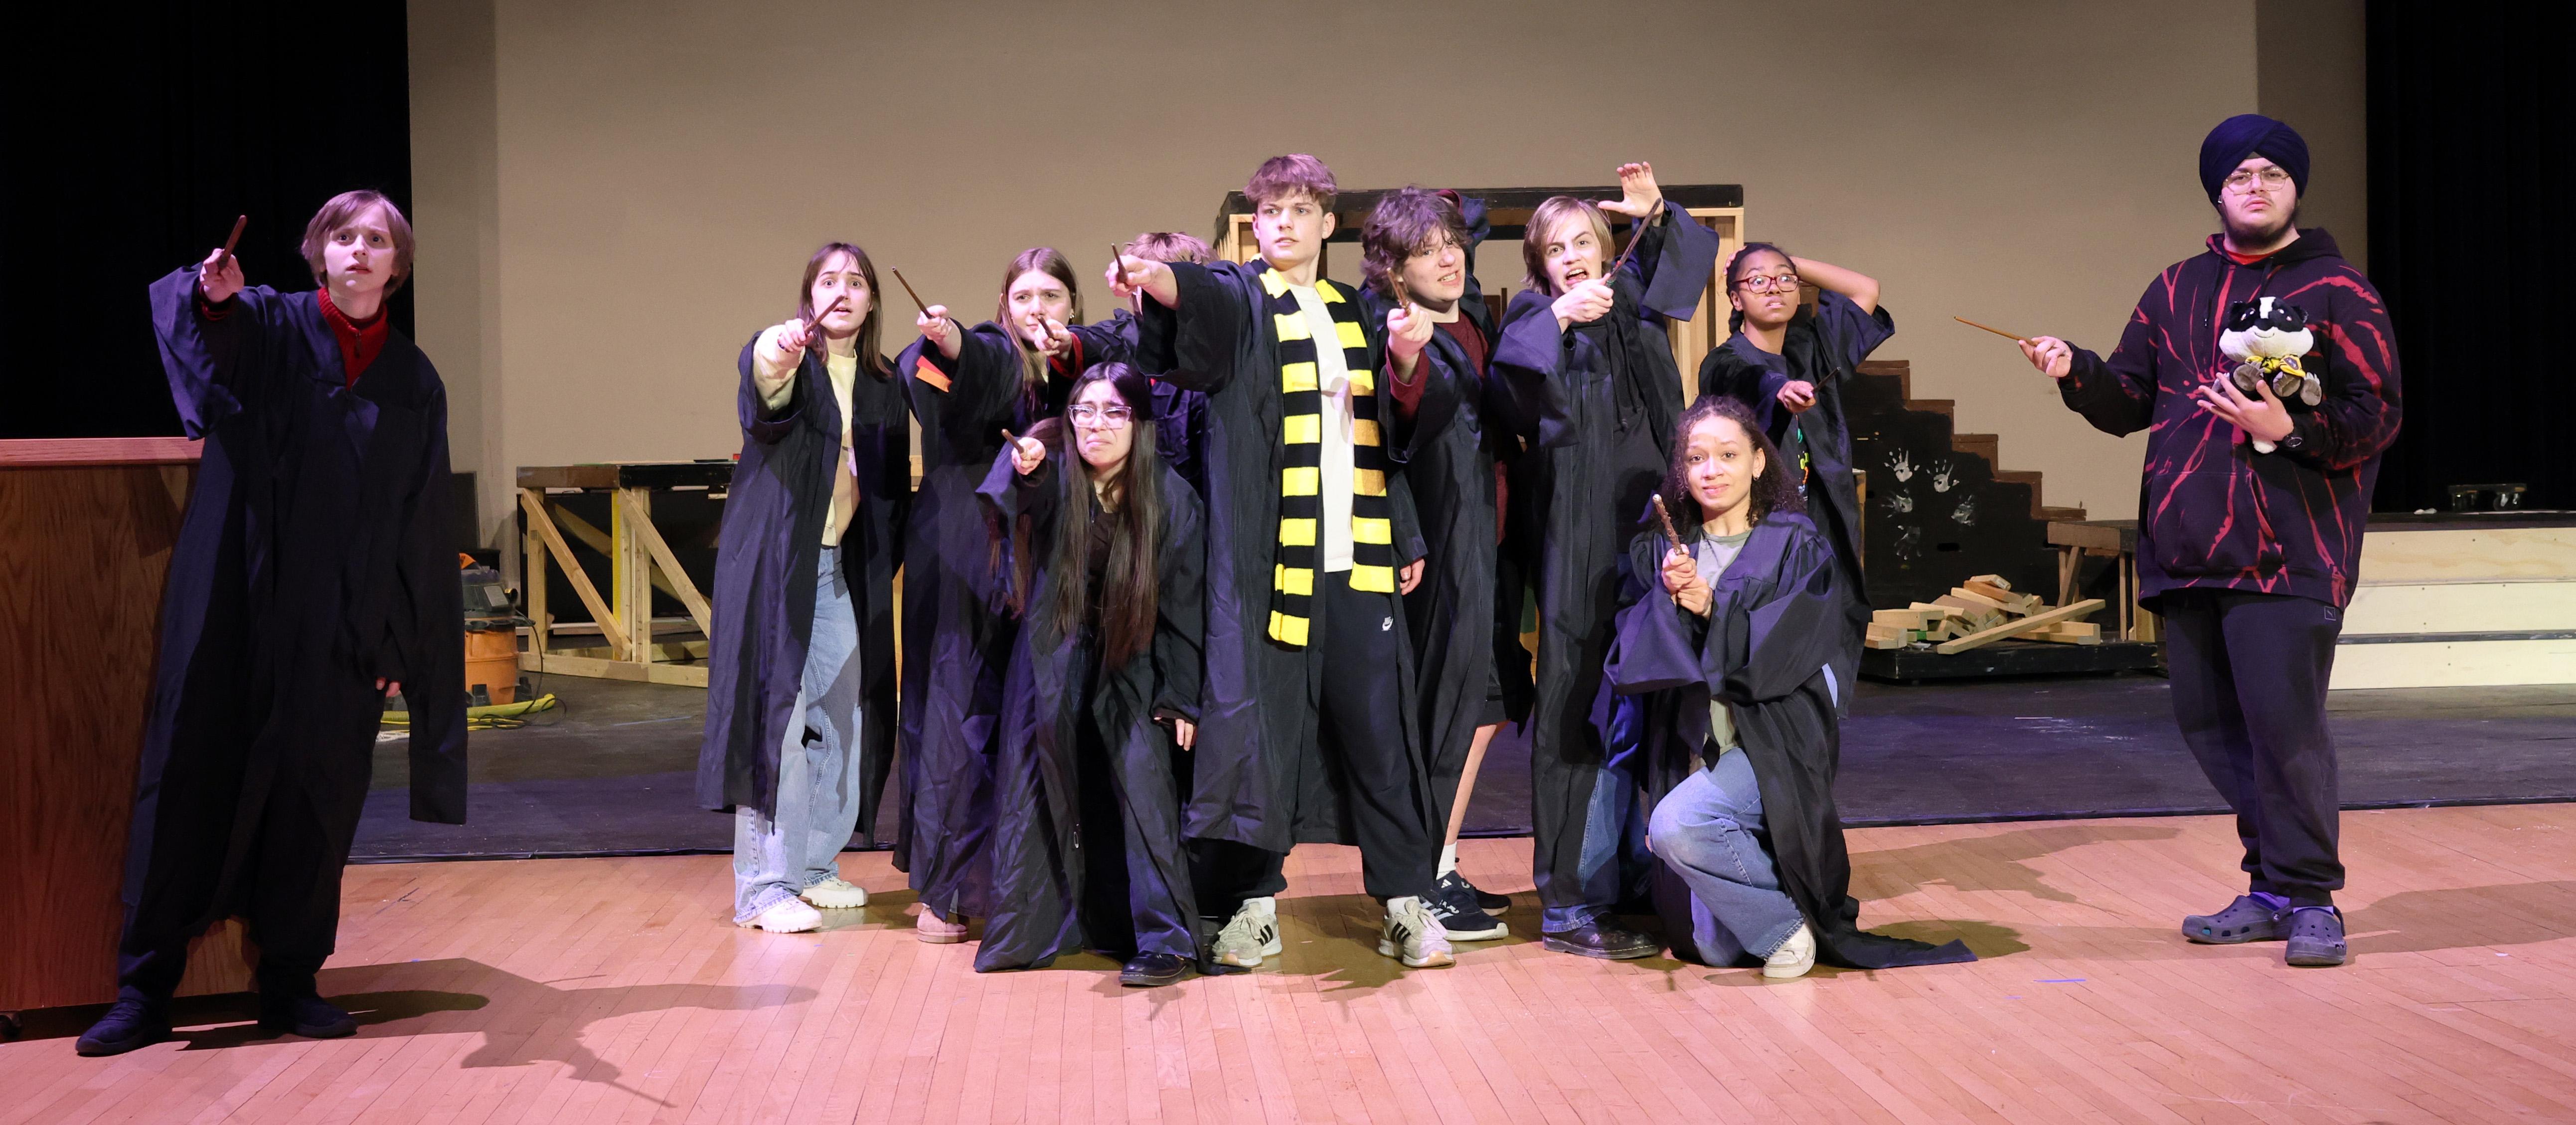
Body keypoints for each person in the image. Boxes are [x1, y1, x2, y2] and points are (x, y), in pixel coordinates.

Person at [81, 191, 469, 1056]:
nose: (359, 250)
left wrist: (398, 637)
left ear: (397, 265)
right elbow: (205, 326)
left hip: (339, 622)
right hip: (234, 598)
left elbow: (418, 518)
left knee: (316, 797)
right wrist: (212, 295)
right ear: (318, 252)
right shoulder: (270, 324)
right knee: (190, 772)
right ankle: (144, 989)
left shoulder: (413, 380)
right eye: (344, 236)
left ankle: (291, 980)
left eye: (377, 240)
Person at [2016, 114, 2401, 967]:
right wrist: (2075, 370)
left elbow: (2376, 414)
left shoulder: (2340, 291)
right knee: (2211, 727)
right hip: (2188, 546)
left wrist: (2288, 429)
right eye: (2238, 176)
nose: (2255, 187)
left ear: (2295, 188)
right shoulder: (2174, 288)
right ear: (2217, 193)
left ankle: (2311, 899)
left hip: (2289, 550)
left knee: (2284, 731)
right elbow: (2127, 401)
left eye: (2271, 174)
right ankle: (2271, 886)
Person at [1109, 154, 1453, 969]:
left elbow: (1390, 437)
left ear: (1328, 224)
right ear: (1253, 226)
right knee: (1263, 736)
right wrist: (1161, 281)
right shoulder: (1242, 299)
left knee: (1378, 735)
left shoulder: (1357, 311)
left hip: (1357, 558)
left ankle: (1404, 902)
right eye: (1270, 212)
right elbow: (1195, 305)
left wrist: (1408, 366)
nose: (1285, 224)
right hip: (1271, 566)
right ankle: (1256, 905)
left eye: (1301, 210)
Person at [1614, 397, 1975, 976]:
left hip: (1772, 741)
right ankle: (1773, 899)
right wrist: (1666, 598)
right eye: (1696, 458)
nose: (1711, 470)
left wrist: (1711, 607)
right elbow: (1640, 658)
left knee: (1676, 825)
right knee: (1712, 949)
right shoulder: (1666, 551)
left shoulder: (1794, 545)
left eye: (1727, 455)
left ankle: (1786, 928)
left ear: (1757, 462)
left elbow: (1784, 652)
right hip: (1699, 746)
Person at [1487, 162, 1720, 959]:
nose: (1574, 257)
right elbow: (1511, 395)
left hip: (1652, 527)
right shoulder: (1535, 314)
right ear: (1541, 264)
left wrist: (1658, 214)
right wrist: (1559, 315)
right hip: (1578, 536)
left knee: (1648, 701)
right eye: (1557, 249)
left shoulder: (1636, 306)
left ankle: (1631, 873)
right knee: (1575, 705)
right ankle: (1566, 898)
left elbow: (1685, 271)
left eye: (1584, 242)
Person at [699, 241, 910, 936]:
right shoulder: (794, 360)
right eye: (828, 280)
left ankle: (814, 864)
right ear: (809, 296)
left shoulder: (882, 382)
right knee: (778, 727)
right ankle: (763, 888)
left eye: (856, 282)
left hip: (834, 569)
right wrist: (778, 348)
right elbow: (765, 380)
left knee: (845, 716)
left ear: (872, 302)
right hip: (775, 570)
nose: (842, 291)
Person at [892, 248, 1101, 942]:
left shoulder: (1081, 370)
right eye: (1023, 297)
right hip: (966, 553)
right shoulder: (986, 351)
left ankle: (1036, 886)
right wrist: (950, 340)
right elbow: (957, 367)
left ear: (1073, 305)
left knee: (1039, 716)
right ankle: (949, 889)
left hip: (1050, 555)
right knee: (960, 712)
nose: (1037, 308)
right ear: (1003, 307)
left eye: (1052, 295)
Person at [975, 365, 1206, 986]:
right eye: (1083, 410)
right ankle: (1039, 925)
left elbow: (1185, 605)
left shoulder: (1170, 497)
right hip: (1056, 656)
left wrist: (1180, 695)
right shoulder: (1053, 469)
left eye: (1112, 412)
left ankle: (1163, 938)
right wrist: (1024, 471)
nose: (1094, 425)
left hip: (1135, 660)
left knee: (1142, 782)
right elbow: (1018, 491)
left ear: (1139, 424)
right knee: (1040, 780)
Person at [1357, 187, 1524, 942]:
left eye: (1452, 243)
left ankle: (1440, 861)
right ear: (1393, 271)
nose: (1449, 258)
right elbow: (1391, 428)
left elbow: (1469, 216)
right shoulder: (1397, 330)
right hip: (1440, 543)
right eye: (1425, 252)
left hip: (1488, 541)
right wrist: (1405, 536)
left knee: (1485, 703)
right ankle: (1420, 876)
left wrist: (1439, 215)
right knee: (1448, 706)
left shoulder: (1473, 314)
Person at [1694, 243, 1888, 685]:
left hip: (1822, 521)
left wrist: (1787, 261)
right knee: (1769, 651)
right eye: (1757, 282)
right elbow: (1747, 380)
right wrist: (1779, 389)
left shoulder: (1811, 349)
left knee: (1831, 642)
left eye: (1785, 281)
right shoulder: (1725, 362)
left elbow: (1866, 289)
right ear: (1735, 299)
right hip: (1761, 535)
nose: (1774, 289)